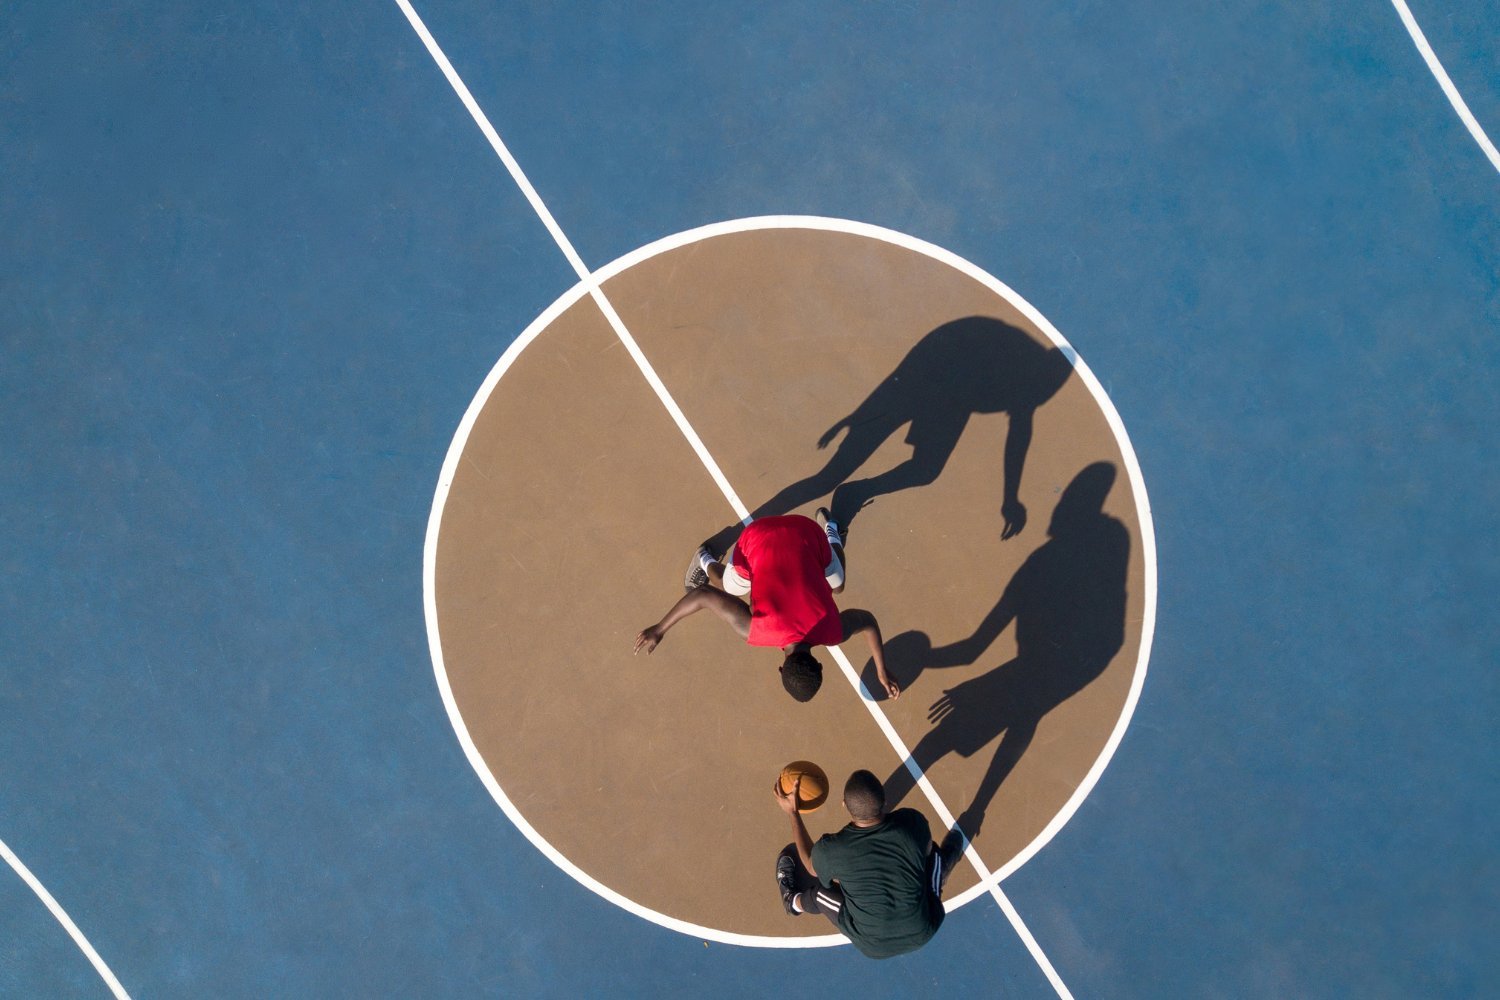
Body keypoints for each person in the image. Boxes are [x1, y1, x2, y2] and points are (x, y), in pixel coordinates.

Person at [633, 509, 900, 702]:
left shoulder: (833, 631)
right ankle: (703, 559)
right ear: (781, 669)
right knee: (727, 587)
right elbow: (703, 594)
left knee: (838, 584)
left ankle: (829, 532)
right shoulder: (756, 630)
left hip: (805, 529)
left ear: (819, 665)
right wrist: (659, 628)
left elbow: (868, 621)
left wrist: (881, 669)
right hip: (756, 537)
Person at [773, 769, 951, 958]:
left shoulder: (833, 849)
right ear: (885, 801)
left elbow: (811, 866)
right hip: (924, 928)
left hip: (873, 942)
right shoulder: (913, 822)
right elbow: (927, 850)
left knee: (820, 894)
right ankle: (950, 859)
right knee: (935, 855)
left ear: (844, 805)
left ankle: (792, 902)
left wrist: (793, 813)